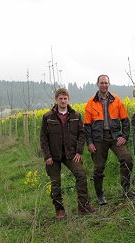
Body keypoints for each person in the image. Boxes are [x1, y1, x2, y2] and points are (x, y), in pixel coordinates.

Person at [40, 88, 96, 220]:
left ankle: (83, 206)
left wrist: (79, 151)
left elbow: (81, 134)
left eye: (65, 98)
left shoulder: (76, 115)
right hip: (53, 155)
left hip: (71, 154)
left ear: (68, 99)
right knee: (55, 182)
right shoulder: (48, 117)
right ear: (56, 99)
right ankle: (59, 209)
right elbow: (43, 138)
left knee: (81, 175)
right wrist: (47, 156)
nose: (63, 101)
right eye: (60, 98)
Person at [84, 74, 135, 205]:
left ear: (109, 84)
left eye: (106, 83)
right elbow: (87, 126)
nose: (104, 85)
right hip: (98, 139)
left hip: (115, 137)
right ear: (97, 84)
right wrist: (89, 143)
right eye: (101, 83)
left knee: (127, 159)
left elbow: (125, 120)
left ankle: (126, 190)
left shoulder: (117, 100)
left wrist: (124, 136)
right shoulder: (91, 103)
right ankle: (100, 196)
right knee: (99, 167)